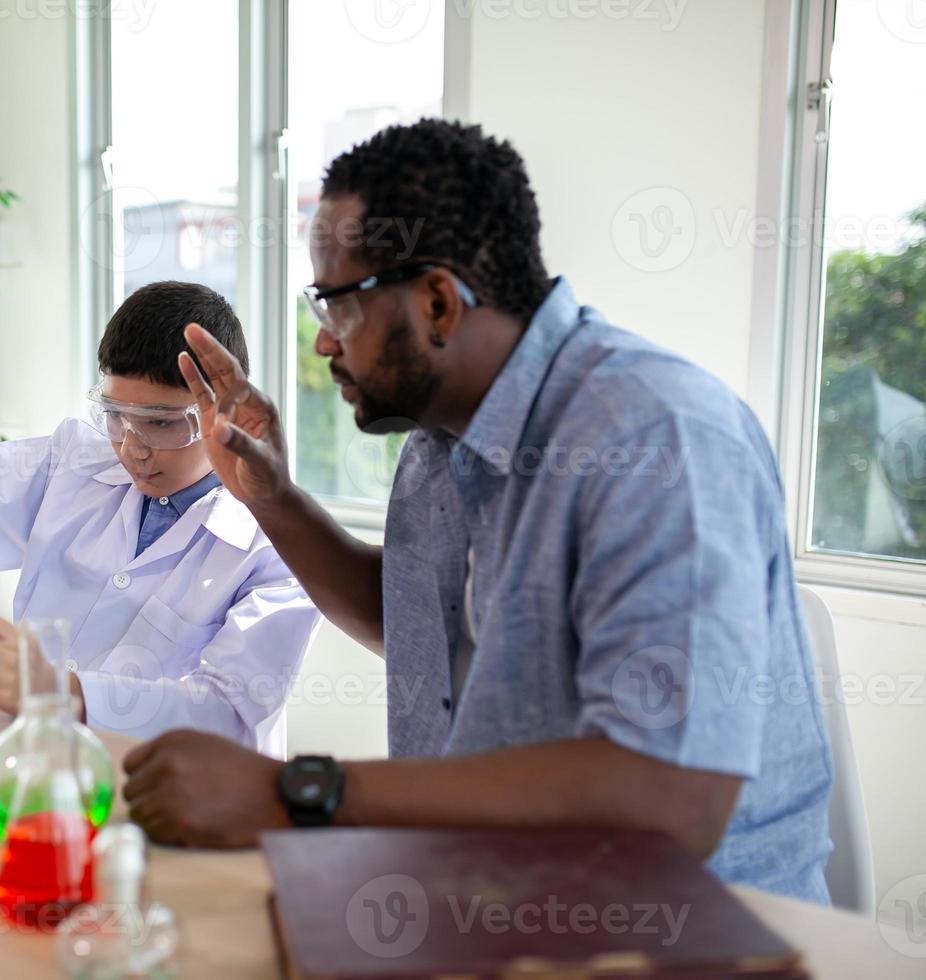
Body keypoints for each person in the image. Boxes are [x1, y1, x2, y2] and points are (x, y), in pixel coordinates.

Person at [120, 119, 834, 904]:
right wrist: (272, 497)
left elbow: (670, 800)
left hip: (690, 923)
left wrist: (297, 791)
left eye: (337, 306)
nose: (324, 345)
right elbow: (419, 633)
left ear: (437, 303)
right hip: (497, 893)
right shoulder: (438, 445)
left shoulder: (655, 437)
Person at [0, 281, 321, 755]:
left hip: (178, 797)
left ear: (225, 413)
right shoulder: (74, 461)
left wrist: (70, 695)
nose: (133, 448)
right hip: (45, 765)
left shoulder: (278, 543)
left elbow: (229, 715)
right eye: (115, 415)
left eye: (161, 423)